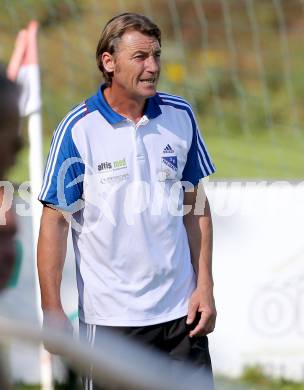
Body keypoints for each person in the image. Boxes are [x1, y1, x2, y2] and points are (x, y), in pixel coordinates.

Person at [37, 13, 216, 389]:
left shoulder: (179, 115)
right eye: (140, 57)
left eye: (156, 55)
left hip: (181, 316)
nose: (153, 67)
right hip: (111, 323)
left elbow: (195, 206)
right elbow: (54, 222)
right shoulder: (78, 129)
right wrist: (52, 308)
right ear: (109, 61)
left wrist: (204, 286)